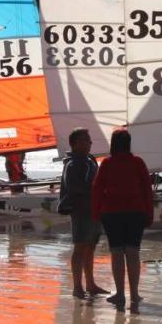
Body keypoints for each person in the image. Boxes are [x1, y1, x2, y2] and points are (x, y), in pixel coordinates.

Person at [90, 129, 154, 311]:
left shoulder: (107, 163)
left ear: (113, 144)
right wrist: (149, 214)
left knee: (117, 253)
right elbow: (147, 191)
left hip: (112, 213)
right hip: (135, 212)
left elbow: (97, 190)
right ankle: (134, 294)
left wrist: (95, 213)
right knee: (133, 253)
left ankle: (120, 294)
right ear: (129, 143)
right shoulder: (138, 163)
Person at [57, 128, 107, 299]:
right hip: (82, 211)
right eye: (86, 139)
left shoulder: (88, 160)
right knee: (80, 247)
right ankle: (77, 286)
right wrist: (96, 192)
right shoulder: (74, 163)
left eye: (89, 139)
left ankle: (91, 284)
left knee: (91, 246)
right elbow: (75, 188)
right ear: (76, 143)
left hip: (94, 209)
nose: (90, 142)